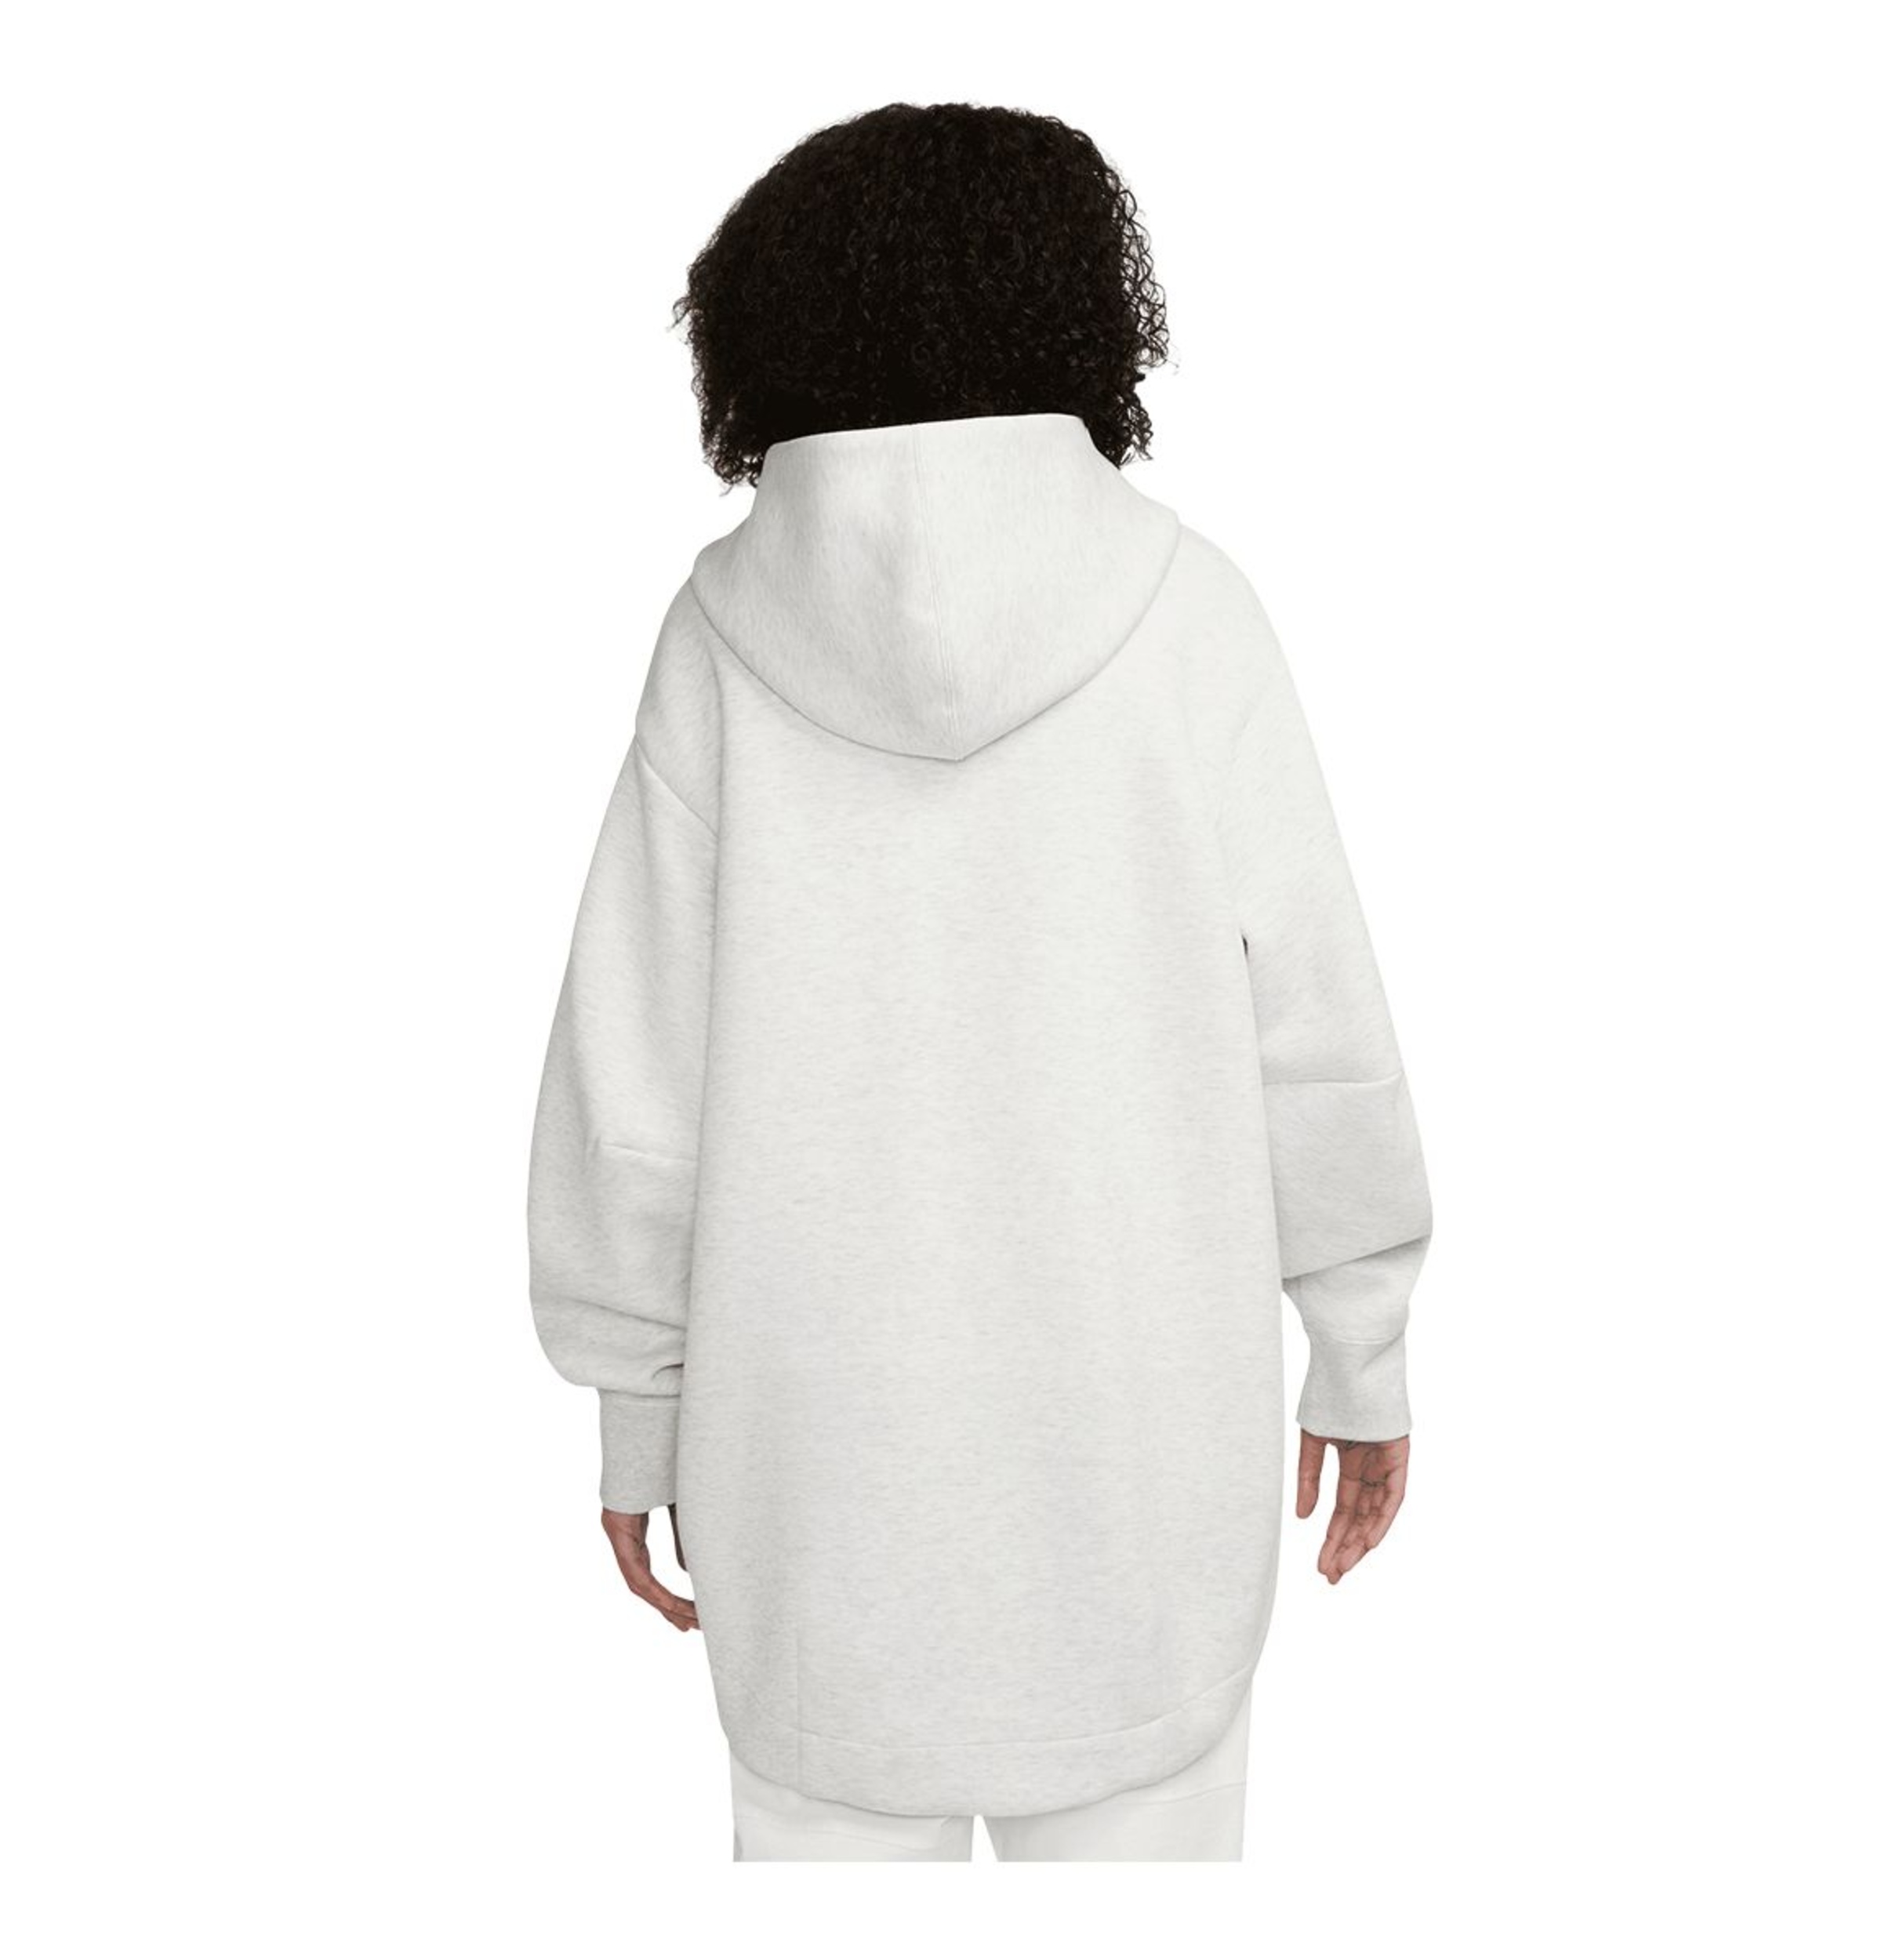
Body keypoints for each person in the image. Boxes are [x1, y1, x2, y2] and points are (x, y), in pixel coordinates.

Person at [526, 100, 1433, 1864]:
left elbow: (631, 1087)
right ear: (1081, 309)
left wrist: (640, 1406)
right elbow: (1316, 1037)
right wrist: (1360, 1348)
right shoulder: (1187, 613)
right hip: (1143, 1498)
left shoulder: (718, 641)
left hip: (812, 1507)